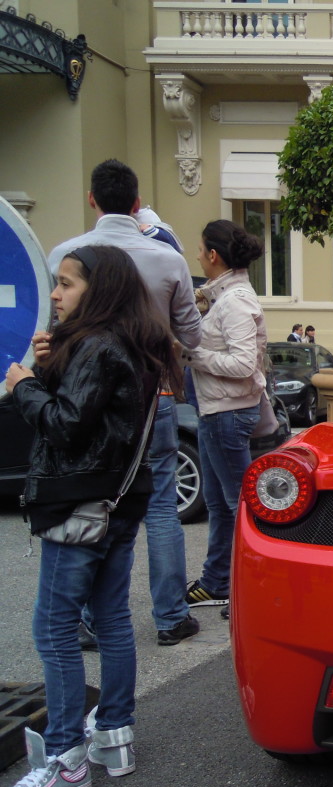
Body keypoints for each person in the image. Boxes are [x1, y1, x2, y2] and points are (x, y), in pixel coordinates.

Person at [0, 245, 183, 787]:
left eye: (67, 284)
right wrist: (51, 364)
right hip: (119, 505)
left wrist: (25, 384)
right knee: (111, 620)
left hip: (77, 506)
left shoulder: (98, 346)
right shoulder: (135, 345)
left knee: (54, 628)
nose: (55, 294)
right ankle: (115, 736)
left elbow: (66, 424)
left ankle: (64, 758)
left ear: (97, 290)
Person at [45, 160, 202, 649]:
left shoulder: (66, 255)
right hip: (152, 395)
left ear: (92, 200)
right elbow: (191, 334)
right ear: (137, 204)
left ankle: (92, 618)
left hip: (86, 397)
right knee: (158, 507)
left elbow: (55, 329)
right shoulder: (168, 259)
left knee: (92, 501)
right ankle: (171, 616)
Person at [182, 221, 268, 615]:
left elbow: (243, 364)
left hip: (227, 413)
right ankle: (218, 581)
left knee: (241, 507)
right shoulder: (227, 296)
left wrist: (192, 354)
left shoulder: (234, 301)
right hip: (221, 410)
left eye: (200, 249)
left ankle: (251, 588)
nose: (197, 255)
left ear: (214, 256)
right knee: (221, 504)